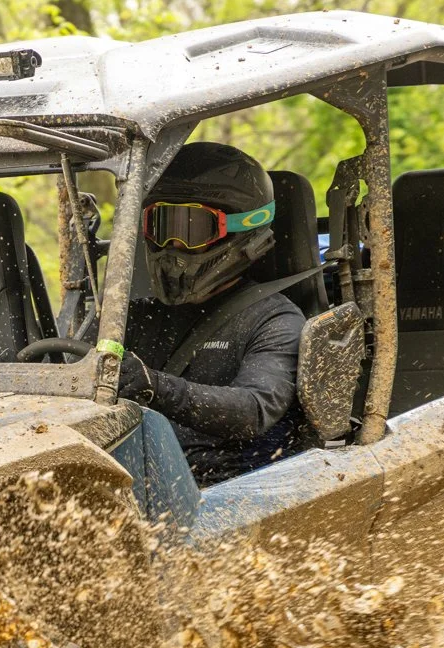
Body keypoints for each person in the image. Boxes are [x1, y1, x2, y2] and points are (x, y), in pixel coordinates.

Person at [115, 142, 314, 485]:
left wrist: (155, 386)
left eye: (191, 228)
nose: (173, 246)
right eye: (162, 225)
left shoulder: (275, 320)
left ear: (242, 230)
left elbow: (252, 410)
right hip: (123, 483)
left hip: (220, 496)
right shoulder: (129, 318)